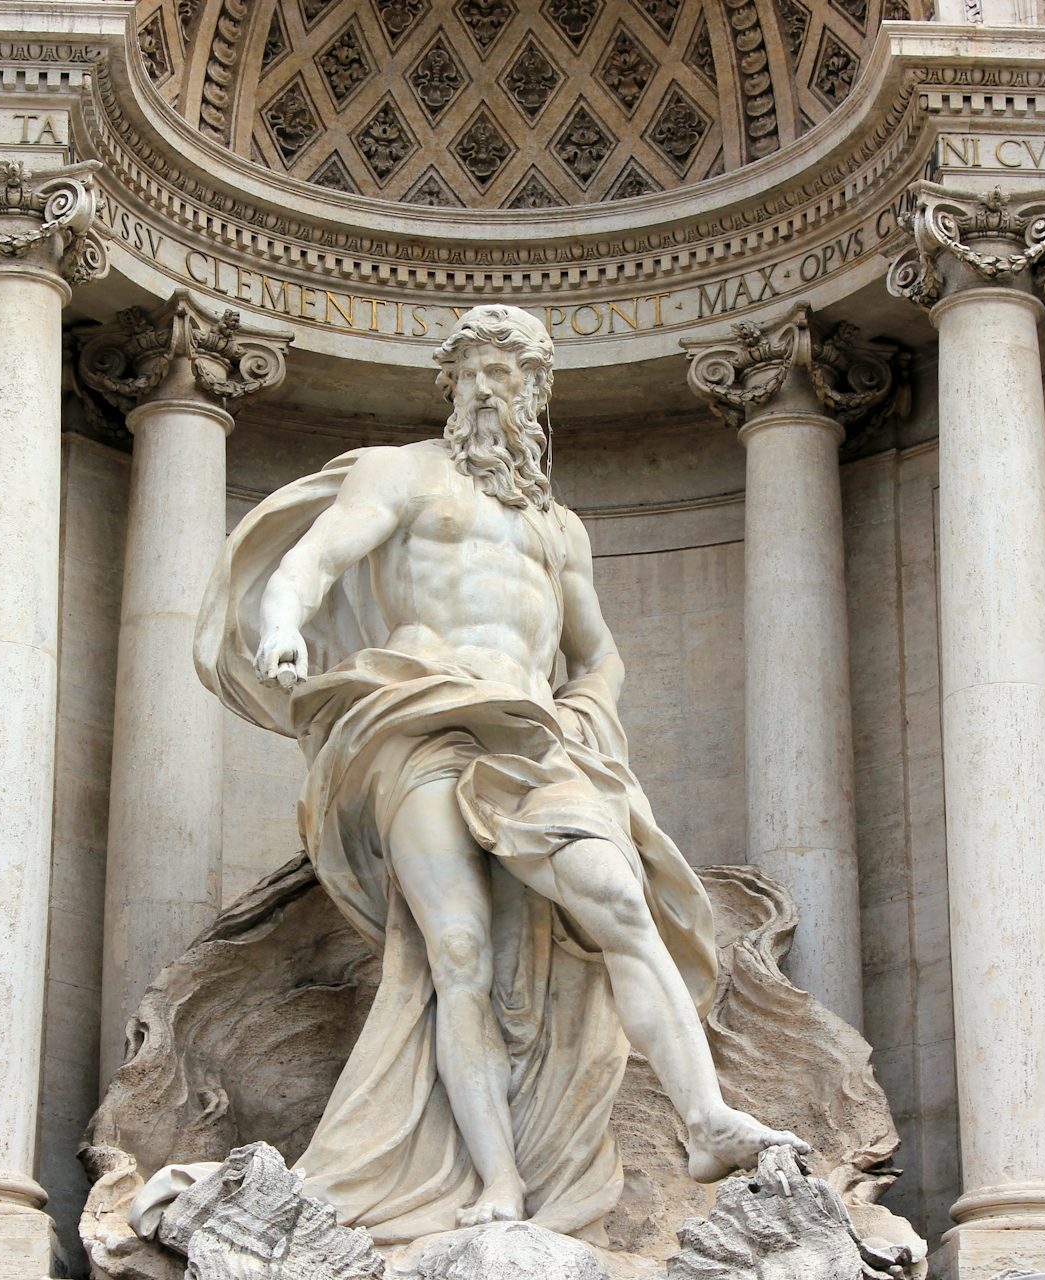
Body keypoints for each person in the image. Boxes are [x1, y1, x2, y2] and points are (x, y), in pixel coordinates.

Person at [195, 304, 807, 1243]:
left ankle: (705, 1119)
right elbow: (313, 563)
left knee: (620, 902)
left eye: (511, 374)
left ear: (538, 392)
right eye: (476, 371)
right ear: (452, 386)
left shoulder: (558, 529)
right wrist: (281, 625)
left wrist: (587, 717)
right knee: (460, 956)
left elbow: (598, 653)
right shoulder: (401, 474)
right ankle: (497, 1187)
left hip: (534, 739)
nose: (492, 389)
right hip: (420, 721)